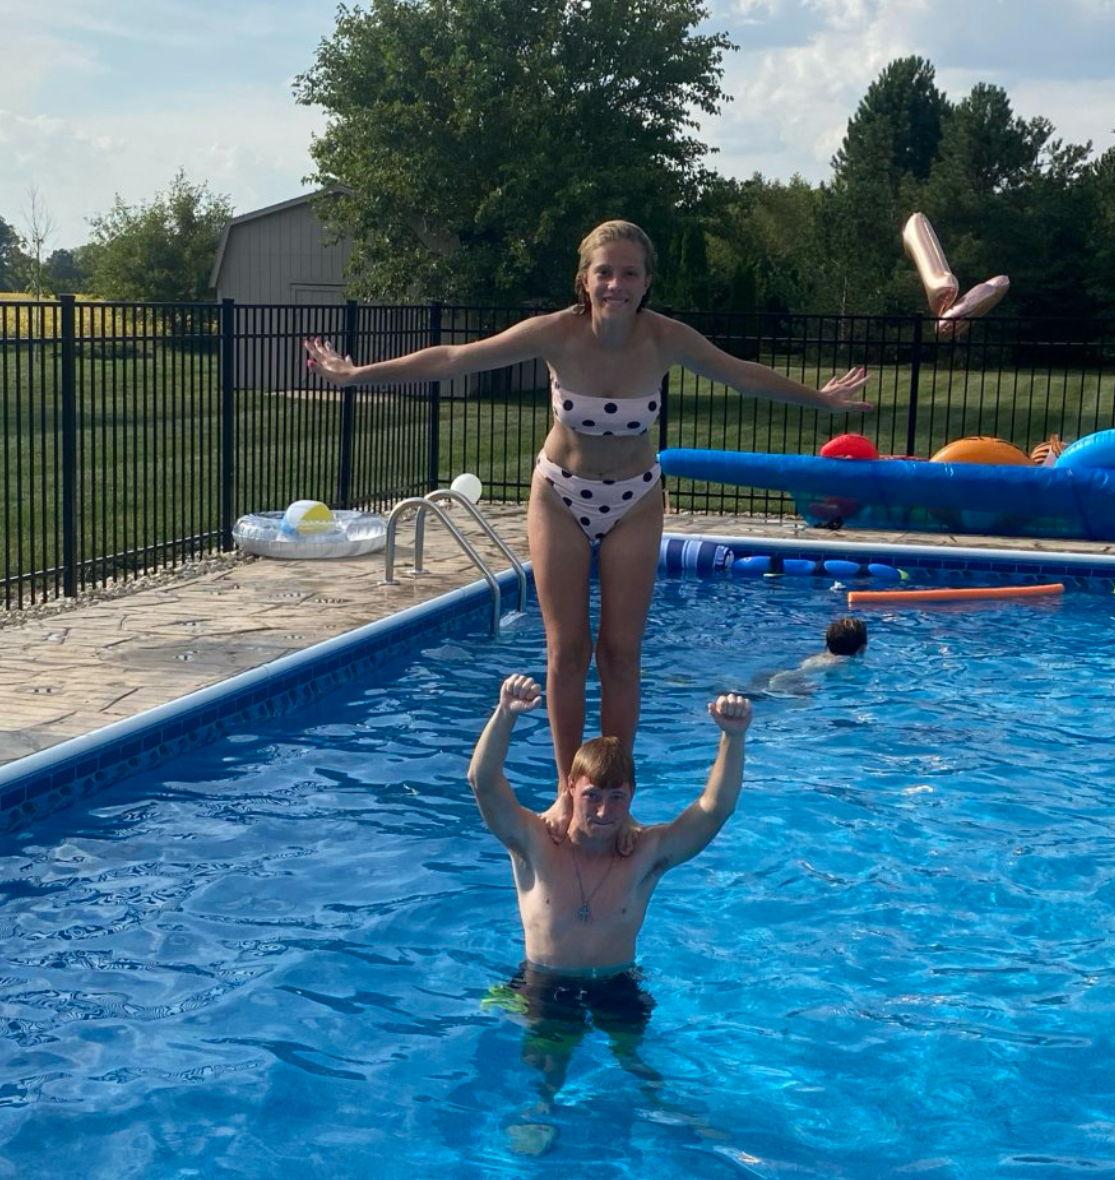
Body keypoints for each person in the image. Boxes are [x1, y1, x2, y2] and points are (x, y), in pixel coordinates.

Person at [305, 220, 867, 835]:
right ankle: (569, 791)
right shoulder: (557, 333)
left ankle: (616, 792)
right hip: (559, 494)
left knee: (620, 654)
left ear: (647, 282)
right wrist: (357, 376)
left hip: (634, 498)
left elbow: (744, 374)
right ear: (585, 279)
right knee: (567, 650)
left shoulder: (665, 339)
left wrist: (820, 399)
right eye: (605, 272)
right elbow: (455, 358)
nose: (616, 284)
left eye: (629, 272)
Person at [467, 672, 752, 1153]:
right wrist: (504, 715)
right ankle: (540, 1106)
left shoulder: (644, 853)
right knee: (548, 1065)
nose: (603, 811)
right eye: (592, 796)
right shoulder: (535, 842)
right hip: (545, 981)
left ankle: (665, 1108)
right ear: (571, 787)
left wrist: (733, 737)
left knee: (634, 1060)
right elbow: (483, 782)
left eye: (616, 797)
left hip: (616, 981)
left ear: (631, 796)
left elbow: (713, 809)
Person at [765, 615, 868, 694]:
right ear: (862, 648)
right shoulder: (837, 663)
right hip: (793, 688)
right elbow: (779, 679)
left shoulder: (820, 658)